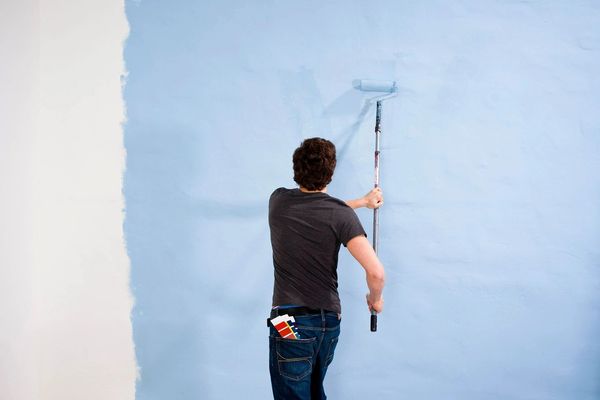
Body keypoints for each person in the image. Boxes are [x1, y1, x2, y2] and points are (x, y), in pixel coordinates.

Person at [267, 137, 386, 399]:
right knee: (312, 390)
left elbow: (316, 209)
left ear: (296, 168)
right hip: (327, 324)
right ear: (330, 173)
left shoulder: (277, 201)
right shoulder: (341, 216)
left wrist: (360, 202)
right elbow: (376, 273)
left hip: (289, 323)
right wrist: (375, 300)